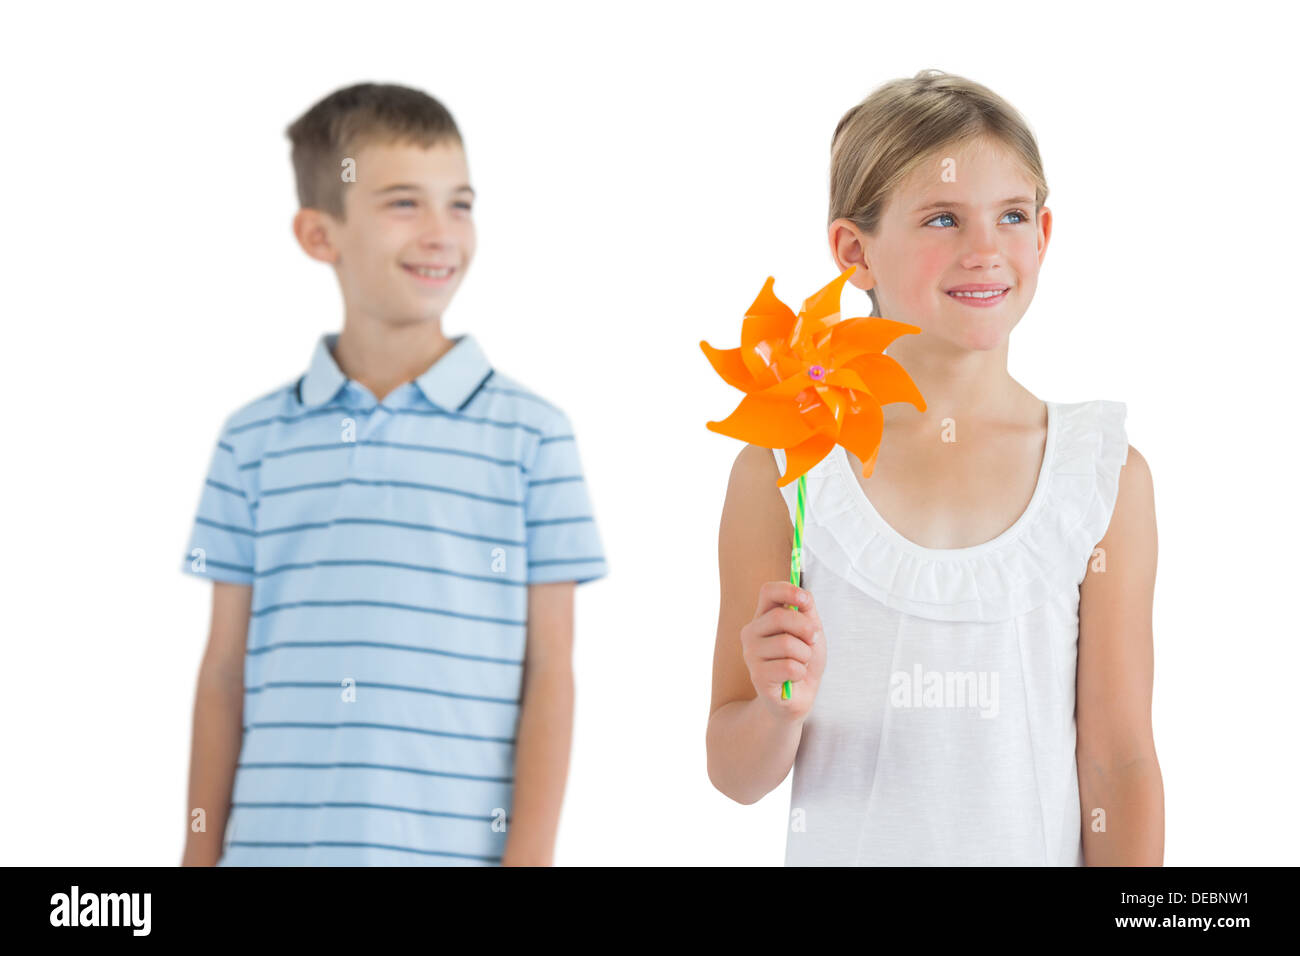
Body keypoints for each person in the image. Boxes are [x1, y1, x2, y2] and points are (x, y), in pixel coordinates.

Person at [705, 70, 1162, 865]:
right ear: (855, 253)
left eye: (1011, 216)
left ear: (1044, 235)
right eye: (944, 219)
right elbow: (734, 772)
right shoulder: (788, 469)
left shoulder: (1100, 474)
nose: (985, 251)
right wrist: (780, 711)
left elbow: (1118, 760)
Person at [179, 82, 608, 866]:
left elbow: (550, 673)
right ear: (320, 233)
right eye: (404, 203)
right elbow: (222, 672)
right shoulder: (251, 441)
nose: (442, 233)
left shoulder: (533, 438)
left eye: (462, 203)